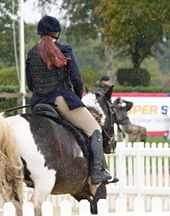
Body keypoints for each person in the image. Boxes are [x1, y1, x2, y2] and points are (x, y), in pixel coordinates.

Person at [25, 15, 116, 185]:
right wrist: (77, 95)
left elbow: (30, 83)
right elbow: (77, 78)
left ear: (40, 33)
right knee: (94, 129)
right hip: (61, 100)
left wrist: (41, 93)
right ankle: (97, 171)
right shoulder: (64, 50)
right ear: (57, 33)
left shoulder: (31, 53)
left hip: (37, 102)